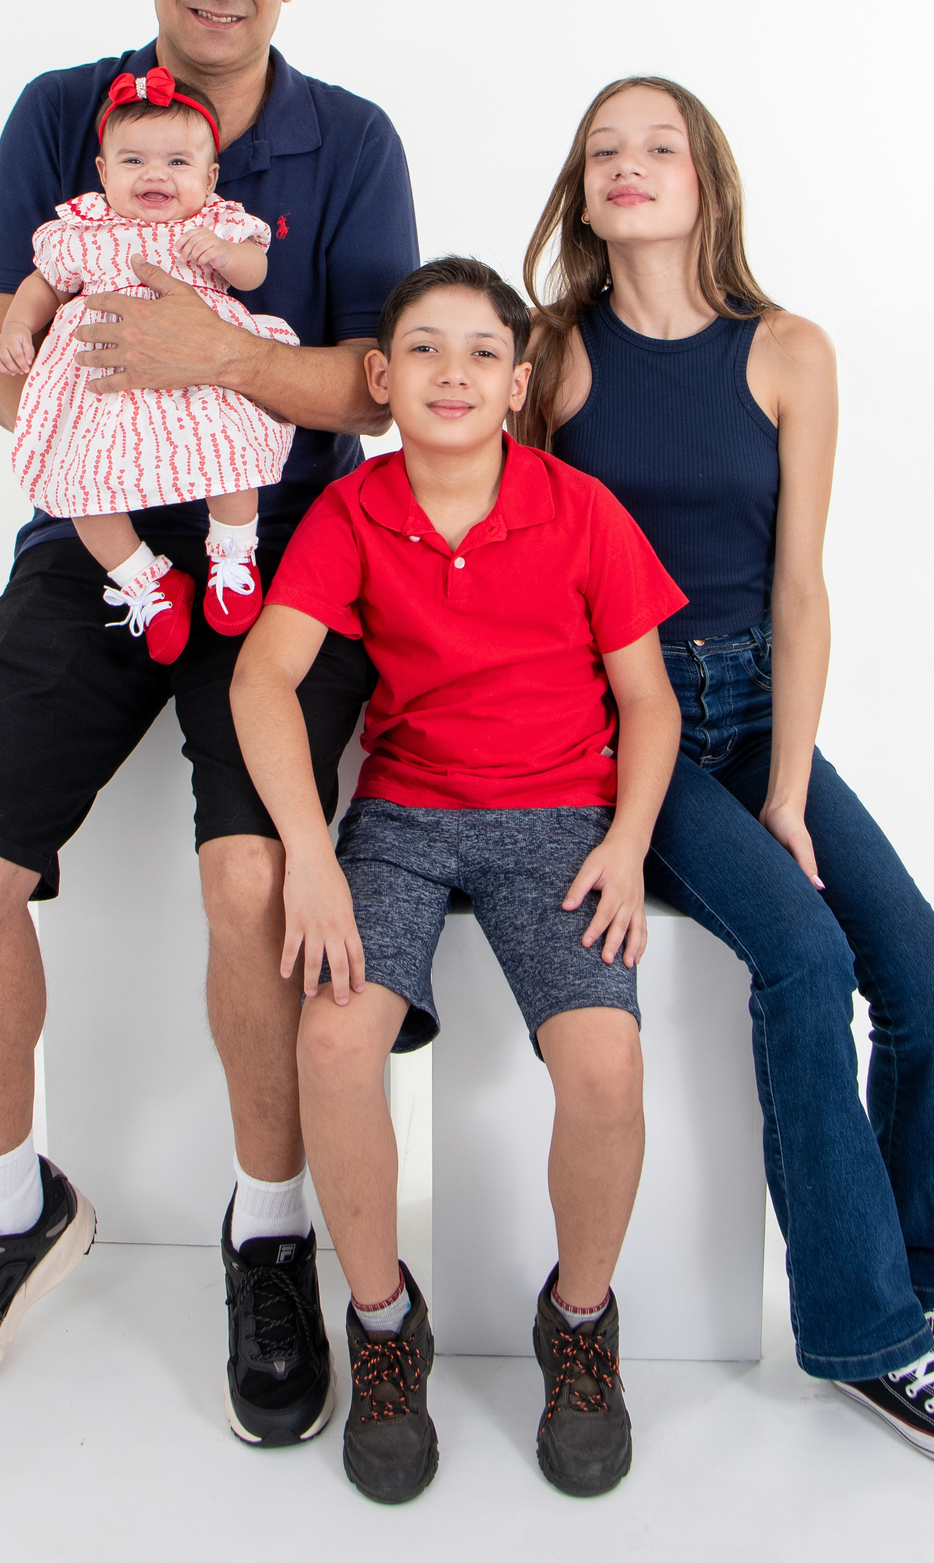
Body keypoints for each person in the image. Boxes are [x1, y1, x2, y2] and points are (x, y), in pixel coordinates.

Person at [0, 0, 419, 1447]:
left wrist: (213, 359)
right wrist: (96, 406)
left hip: (285, 549)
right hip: (96, 539)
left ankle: (271, 1230)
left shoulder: (351, 141)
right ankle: (4, 1207)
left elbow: (380, 384)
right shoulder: (64, 115)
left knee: (251, 881)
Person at [513, 75, 934, 1473]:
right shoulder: (550, 357)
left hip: (756, 706)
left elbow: (801, 590)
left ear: (709, 181)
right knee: (804, 959)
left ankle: (925, 1264)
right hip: (628, 721)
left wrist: (790, 791)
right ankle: (869, 1340)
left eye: (659, 145)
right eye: (603, 150)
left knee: (928, 982)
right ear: (581, 194)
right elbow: (519, 561)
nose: (629, 164)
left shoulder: (790, 351)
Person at [231, 256, 686, 1501]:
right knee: (334, 1042)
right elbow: (262, 679)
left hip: (559, 816)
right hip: (407, 815)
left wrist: (627, 840)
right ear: (381, 378)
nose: (453, 372)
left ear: (519, 383)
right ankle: (384, 1328)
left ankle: (579, 1324)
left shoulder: (581, 508)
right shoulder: (352, 512)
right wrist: (311, 851)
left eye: (483, 352)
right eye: (424, 349)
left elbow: (648, 701)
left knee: (607, 1064)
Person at [0, 67, 299, 658]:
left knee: (230, 453)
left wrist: (226, 255)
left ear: (210, 177)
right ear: (104, 171)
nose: (155, 174)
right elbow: (43, 284)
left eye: (177, 162)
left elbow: (255, 271)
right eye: (133, 161)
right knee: (79, 485)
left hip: (203, 372)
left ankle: (234, 552)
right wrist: (15, 326)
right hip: (101, 381)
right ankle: (145, 581)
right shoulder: (83, 229)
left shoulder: (213, 222)